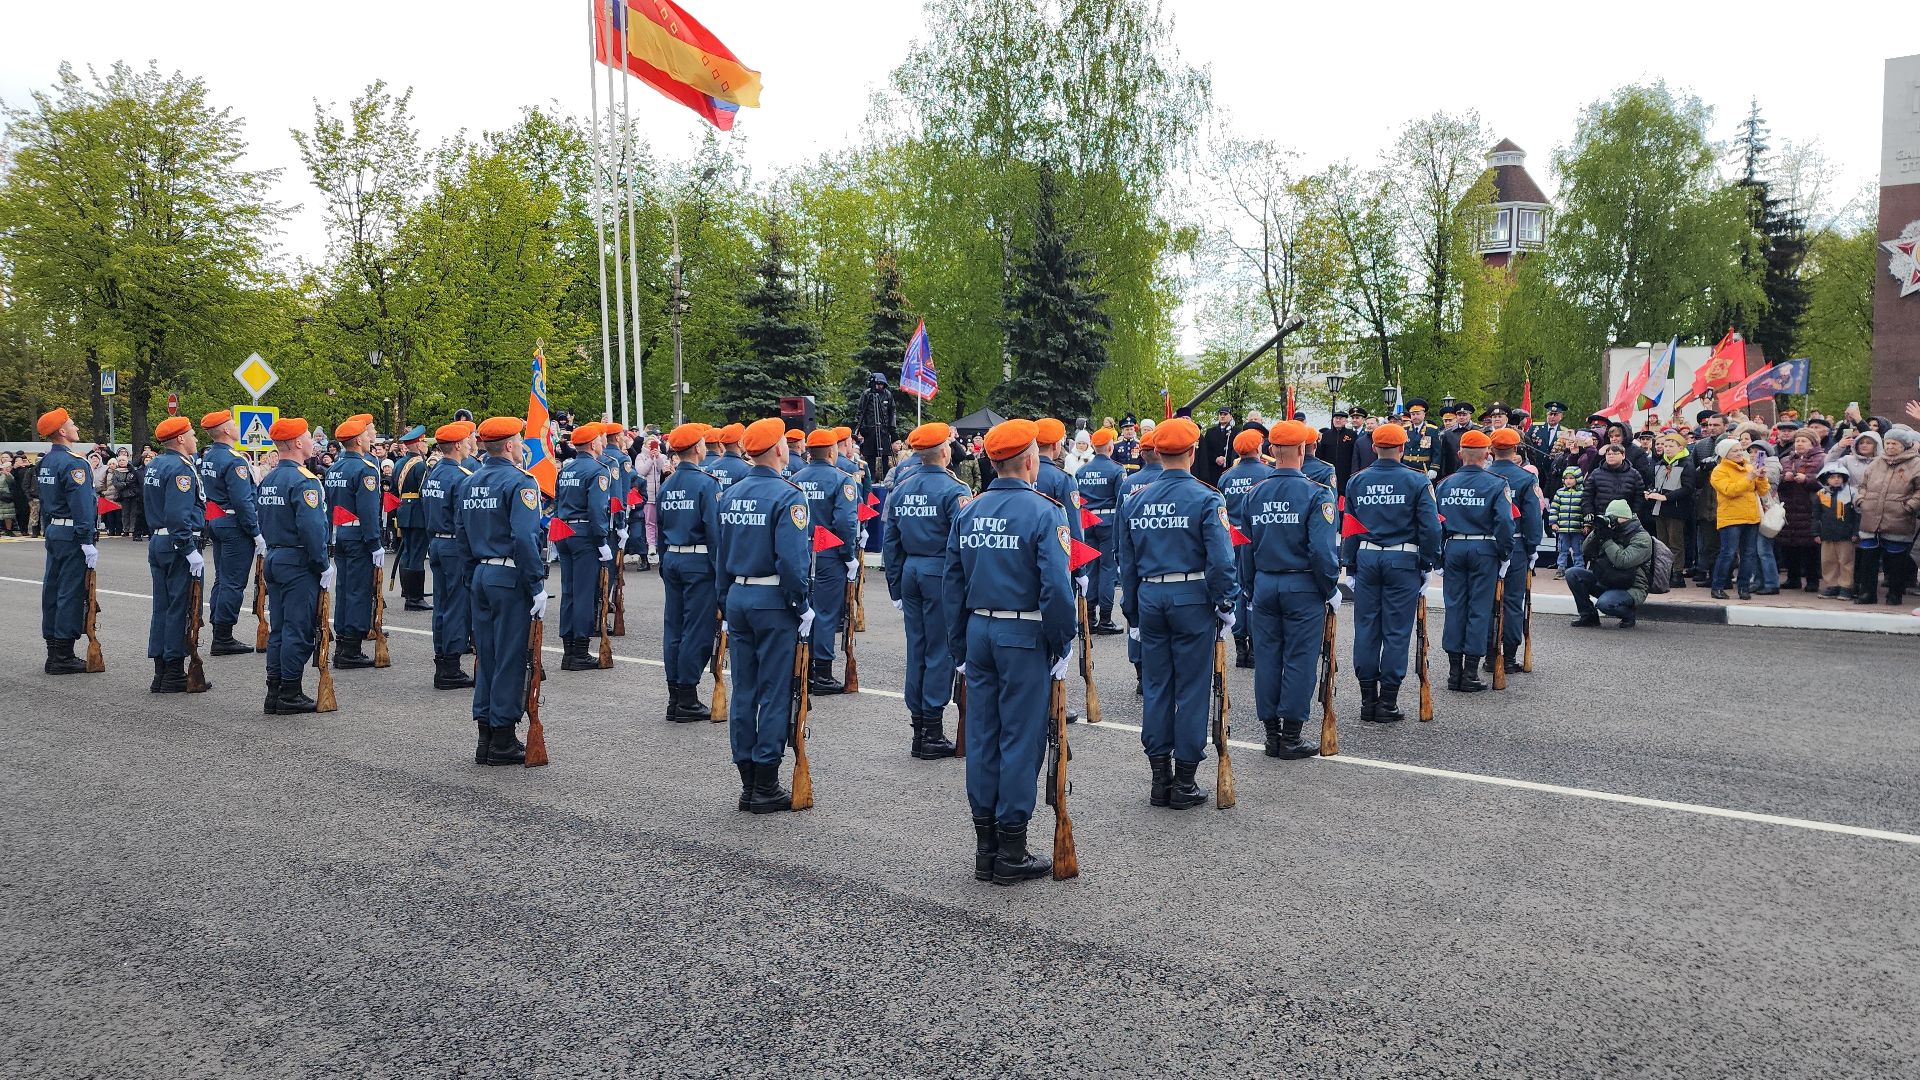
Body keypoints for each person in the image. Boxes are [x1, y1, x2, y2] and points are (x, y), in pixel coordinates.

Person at [943, 418, 1075, 883]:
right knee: (1020, 738)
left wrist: (959, 642)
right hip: (1024, 635)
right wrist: (1062, 643)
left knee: (981, 736)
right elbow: (1056, 589)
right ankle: (1012, 849)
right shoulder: (1045, 512)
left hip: (979, 630)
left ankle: (985, 846)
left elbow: (952, 583)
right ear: (1031, 460)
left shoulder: (970, 510)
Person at [1116, 417, 1237, 809]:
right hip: (1191, 596)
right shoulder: (1206, 498)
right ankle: (1184, 780)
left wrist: (1131, 609)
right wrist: (1226, 601)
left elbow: (1127, 564)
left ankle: (1158, 778)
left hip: (1150, 597)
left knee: (1157, 686)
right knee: (1191, 688)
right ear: (1191, 452)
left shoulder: (1135, 499)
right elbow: (1220, 560)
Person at [715, 417, 814, 814]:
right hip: (773, 599)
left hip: (738, 596)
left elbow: (722, 555)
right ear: (778, 449)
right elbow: (792, 561)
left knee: (746, 688)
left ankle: (748, 780)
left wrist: (724, 600)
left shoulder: (731, 494)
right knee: (774, 691)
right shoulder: (788, 496)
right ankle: (766, 781)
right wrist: (801, 605)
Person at [1240, 421, 1341, 753]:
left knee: (1268, 657)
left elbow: (1246, 548)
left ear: (1271, 451)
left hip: (1265, 583)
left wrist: (1251, 589)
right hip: (1302, 586)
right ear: (1301, 450)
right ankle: (1291, 735)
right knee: (1299, 658)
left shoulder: (1254, 494)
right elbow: (1321, 551)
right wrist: (1330, 589)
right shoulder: (1316, 493)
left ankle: (1271, 735)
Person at [452, 417, 543, 766]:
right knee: (508, 657)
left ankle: (486, 734)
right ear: (508, 446)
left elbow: (462, 534)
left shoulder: (470, 481)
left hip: (480, 575)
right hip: (508, 577)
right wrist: (535, 583)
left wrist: (471, 574)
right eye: (519, 440)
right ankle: (503, 736)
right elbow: (524, 537)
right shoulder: (521, 482)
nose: (522, 446)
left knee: (486, 657)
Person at [1339, 420, 1443, 723]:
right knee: (1396, 632)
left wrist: (1350, 565)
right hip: (1403, 561)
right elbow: (1430, 528)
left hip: (1368, 558)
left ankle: (1367, 700)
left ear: (1373, 448)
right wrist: (1428, 563)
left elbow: (1350, 528)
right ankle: (1387, 703)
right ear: (1402, 448)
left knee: (1367, 629)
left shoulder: (1357, 481)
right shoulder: (1417, 480)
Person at [882, 422, 970, 759]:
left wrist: (894, 586)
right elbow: (962, 545)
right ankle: (931, 730)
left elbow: (890, 541)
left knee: (917, 649)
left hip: (910, 572)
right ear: (945, 452)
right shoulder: (954, 489)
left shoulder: (901, 487)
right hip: (939, 573)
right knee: (939, 651)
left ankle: (919, 726)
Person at [257, 419, 331, 714]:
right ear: (298, 443)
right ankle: (290, 692)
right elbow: (312, 528)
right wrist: (322, 563)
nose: (313, 442)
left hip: (275, 556)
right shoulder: (305, 481)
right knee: (297, 629)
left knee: (280, 628)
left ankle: (274, 690)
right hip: (298, 560)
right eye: (308, 437)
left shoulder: (269, 479)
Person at [1435, 430, 1512, 692]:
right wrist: (1505, 554)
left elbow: (1437, 523)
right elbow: (1504, 523)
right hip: (1484, 548)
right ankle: (1469, 673)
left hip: (1454, 546)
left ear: (1459, 455)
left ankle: (1453, 672)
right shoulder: (1496, 483)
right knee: (1478, 609)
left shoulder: (1444, 484)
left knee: (1455, 607)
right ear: (1487, 455)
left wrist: (1439, 555)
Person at [655, 423, 722, 720]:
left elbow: (659, 527)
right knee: (697, 629)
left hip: (672, 559)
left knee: (674, 628)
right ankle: (687, 696)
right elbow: (714, 533)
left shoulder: (667, 483)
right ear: (697, 448)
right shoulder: (707, 483)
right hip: (699, 563)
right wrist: (722, 573)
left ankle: (674, 695)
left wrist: (663, 559)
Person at [791, 427, 859, 695]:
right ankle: (821, 672)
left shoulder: (795, 478)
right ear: (832, 452)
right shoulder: (842, 479)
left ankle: (801, 666)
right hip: (828, 553)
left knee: (802, 608)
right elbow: (844, 522)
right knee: (826, 612)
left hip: (800, 551)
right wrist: (849, 555)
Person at [33, 410, 99, 674]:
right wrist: (86, 539)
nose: (76, 427)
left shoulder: (46, 461)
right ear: (61, 431)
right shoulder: (75, 463)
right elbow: (81, 505)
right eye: (71, 424)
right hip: (72, 534)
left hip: (54, 531)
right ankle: (63, 654)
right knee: (70, 592)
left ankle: (53, 650)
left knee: (53, 589)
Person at [143, 417, 205, 693]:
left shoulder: (155, 463)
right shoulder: (181, 469)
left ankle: (161, 671)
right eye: (191, 435)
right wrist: (189, 549)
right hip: (178, 544)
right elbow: (179, 515)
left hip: (159, 540)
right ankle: (173, 673)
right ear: (180, 439)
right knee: (180, 608)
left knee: (162, 608)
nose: (195, 439)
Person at [194, 411, 264, 655]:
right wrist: (255, 532)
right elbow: (243, 500)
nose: (236, 427)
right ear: (225, 430)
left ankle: (219, 628)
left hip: (217, 520)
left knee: (222, 579)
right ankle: (223, 636)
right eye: (233, 424)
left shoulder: (210, 456)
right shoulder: (234, 460)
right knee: (233, 582)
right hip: (234, 523)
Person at [322, 415, 384, 668]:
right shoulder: (365, 469)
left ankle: (344, 643)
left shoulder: (334, 467)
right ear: (358, 440)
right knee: (359, 591)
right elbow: (368, 512)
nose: (371, 439)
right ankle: (351, 650)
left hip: (340, 534)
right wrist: (375, 543)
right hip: (359, 537)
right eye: (368, 436)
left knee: (345, 590)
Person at [553, 424, 614, 672]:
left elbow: (558, 502)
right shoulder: (597, 471)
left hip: (564, 531)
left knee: (568, 591)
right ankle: (579, 650)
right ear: (591, 444)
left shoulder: (566, 470)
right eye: (600, 440)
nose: (602, 443)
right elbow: (597, 509)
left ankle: (569, 650)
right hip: (584, 533)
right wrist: (601, 541)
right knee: (584, 593)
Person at [422, 421, 477, 690]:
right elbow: (465, 519)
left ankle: (442, 659)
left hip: (437, 543)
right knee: (457, 605)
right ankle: (451, 667)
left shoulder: (433, 474)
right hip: (455, 547)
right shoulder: (461, 476)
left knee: (442, 605)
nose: (469, 444)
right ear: (457, 445)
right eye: (467, 440)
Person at [1485, 428, 1542, 675]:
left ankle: (1487, 655)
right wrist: (1532, 548)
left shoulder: (1484, 474)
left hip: (1485, 544)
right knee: (1512, 601)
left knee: (1486, 602)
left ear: (1491, 450)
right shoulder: (1525, 478)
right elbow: (1532, 518)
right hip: (1516, 544)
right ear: (1516, 449)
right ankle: (1508, 657)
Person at [1217, 428, 1275, 669]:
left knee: (1237, 588)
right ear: (1258, 448)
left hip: (1232, 535)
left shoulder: (1227, 476)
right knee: (1253, 587)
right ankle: (1253, 645)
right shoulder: (1268, 474)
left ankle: (1240, 645)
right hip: (1257, 537)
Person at [1855, 425, 1920, 606]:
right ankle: (1867, 594)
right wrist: (1861, 500)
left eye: (1895, 444)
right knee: (1868, 559)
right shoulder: (1876, 462)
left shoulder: (1916, 464)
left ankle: (1894, 595)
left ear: (1904, 446)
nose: (1890, 447)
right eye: (1888, 443)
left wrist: (1909, 506)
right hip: (1871, 518)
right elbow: (1863, 485)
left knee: (1896, 561)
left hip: (1899, 519)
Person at [1568, 499, 1653, 628]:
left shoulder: (1641, 538)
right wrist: (1596, 533)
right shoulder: (1611, 530)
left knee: (1605, 604)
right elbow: (1585, 551)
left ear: (1624, 518)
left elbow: (1622, 561)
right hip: (1607, 579)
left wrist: (1607, 540)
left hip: (1631, 586)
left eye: (1612, 517)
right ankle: (1588, 616)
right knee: (1572, 574)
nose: (1610, 521)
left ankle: (1628, 614)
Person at [1075, 428, 1125, 634]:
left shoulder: (1081, 471)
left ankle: (1090, 618)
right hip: (1108, 521)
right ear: (1111, 447)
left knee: (1091, 568)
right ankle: (1105, 618)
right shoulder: (1116, 470)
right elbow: (1121, 500)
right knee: (1107, 569)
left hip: (1087, 522)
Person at [1710, 439, 1769, 600]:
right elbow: (1729, 490)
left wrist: (1762, 478)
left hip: (1751, 517)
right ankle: (1718, 586)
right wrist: (1749, 478)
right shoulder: (1719, 471)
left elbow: (1763, 491)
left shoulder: (1749, 466)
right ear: (1725, 454)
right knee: (1727, 553)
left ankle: (1744, 588)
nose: (1739, 453)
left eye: (1739, 450)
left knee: (1749, 554)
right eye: (1734, 451)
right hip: (1731, 518)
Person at [1775, 430, 1828, 592]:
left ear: (1813, 443)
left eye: (1804, 441)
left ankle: (1812, 581)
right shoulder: (1785, 459)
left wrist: (1807, 480)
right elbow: (1776, 479)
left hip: (1809, 508)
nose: (1799, 444)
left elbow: (1827, 481)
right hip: (1789, 508)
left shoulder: (1822, 459)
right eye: (1798, 441)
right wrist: (1785, 478)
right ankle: (1793, 578)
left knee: (1810, 547)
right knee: (1789, 545)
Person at [389, 425, 433, 611]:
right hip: (417, 511)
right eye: (423, 441)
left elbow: (392, 491)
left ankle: (408, 590)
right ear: (417, 444)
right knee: (416, 554)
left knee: (407, 551)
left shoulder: (399, 463)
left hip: (403, 509)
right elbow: (425, 492)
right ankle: (414, 598)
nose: (425, 444)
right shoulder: (420, 465)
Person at [1647, 433, 1693, 590]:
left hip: (1676, 509)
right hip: (1660, 509)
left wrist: (1666, 497)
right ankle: (1664, 572)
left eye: (1671, 446)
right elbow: (1655, 484)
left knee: (1675, 542)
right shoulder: (1661, 463)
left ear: (1680, 448)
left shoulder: (1686, 464)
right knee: (1662, 542)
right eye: (1665, 446)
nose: (1667, 449)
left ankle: (1677, 573)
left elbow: (1687, 488)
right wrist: (1651, 492)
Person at [1813, 464, 1859, 600]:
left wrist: (1856, 533)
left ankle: (1846, 587)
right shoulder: (1821, 494)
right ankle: (1832, 585)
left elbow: (1857, 515)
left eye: (1839, 477)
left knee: (1846, 561)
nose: (1836, 479)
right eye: (1832, 477)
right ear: (1826, 479)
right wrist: (1816, 533)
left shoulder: (1852, 493)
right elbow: (1816, 516)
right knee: (1828, 561)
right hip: (1827, 535)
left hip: (1846, 535)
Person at [1583, 441, 1646, 526]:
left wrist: (1634, 514)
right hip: (1601, 519)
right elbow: (1587, 495)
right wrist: (1588, 512)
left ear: (1623, 455)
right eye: (1608, 454)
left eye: (1615, 454)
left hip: (1625, 521)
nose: (1611, 456)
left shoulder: (1634, 474)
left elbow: (1639, 497)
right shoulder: (1596, 473)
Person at [856, 371, 898, 479]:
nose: (879, 386)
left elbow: (892, 411)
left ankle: (885, 477)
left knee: (884, 455)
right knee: (870, 456)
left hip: (883, 429)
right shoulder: (867, 394)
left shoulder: (887, 394)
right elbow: (860, 411)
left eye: (881, 384)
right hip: (870, 430)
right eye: (877, 384)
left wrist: (892, 428)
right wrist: (863, 427)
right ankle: (871, 478)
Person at [1317, 410, 1357, 491]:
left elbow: (1354, 454)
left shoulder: (1352, 434)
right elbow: (1321, 455)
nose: (1338, 420)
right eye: (1336, 418)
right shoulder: (1326, 434)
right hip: (1329, 472)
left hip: (1346, 472)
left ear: (1345, 420)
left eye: (1340, 418)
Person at [1401, 399, 1441, 478]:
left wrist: (1434, 468)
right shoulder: (1404, 429)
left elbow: (1437, 451)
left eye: (1418, 414)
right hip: (1407, 466)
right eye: (1413, 414)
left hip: (1424, 467)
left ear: (1424, 414)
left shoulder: (1432, 430)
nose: (1415, 416)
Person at [1198, 407, 1235, 487]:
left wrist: (1227, 459)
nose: (1222, 416)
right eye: (1220, 414)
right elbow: (1206, 450)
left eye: (1225, 414)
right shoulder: (1210, 432)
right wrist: (1215, 458)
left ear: (1231, 416)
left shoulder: (1236, 431)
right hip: (1214, 471)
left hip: (1230, 469)